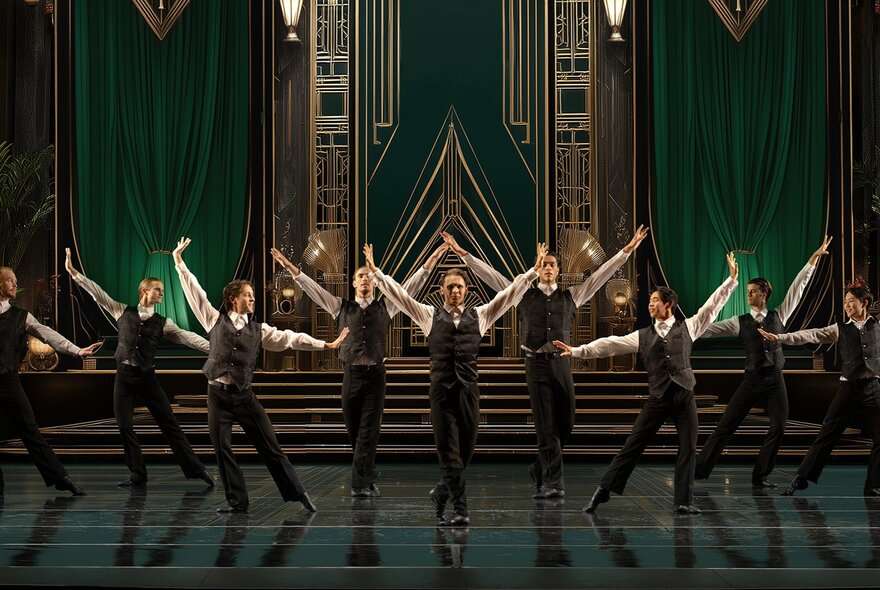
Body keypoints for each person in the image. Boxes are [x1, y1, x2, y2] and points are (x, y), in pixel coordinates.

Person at [442, 227, 649, 498]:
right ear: (538, 269)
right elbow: (492, 277)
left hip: (562, 364)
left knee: (567, 422)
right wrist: (464, 255)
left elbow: (601, 276)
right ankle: (553, 483)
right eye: (544, 264)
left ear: (558, 270)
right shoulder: (522, 294)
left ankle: (539, 467)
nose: (548, 268)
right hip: (535, 364)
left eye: (552, 265)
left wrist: (627, 250)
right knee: (546, 425)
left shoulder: (572, 295)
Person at [364, 241, 547, 526]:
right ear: (442, 291)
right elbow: (400, 296)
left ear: (466, 291)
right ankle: (460, 509)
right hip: (441, 392)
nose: (454, 291)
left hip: (469, 392)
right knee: (449, 453)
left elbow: (510, 294)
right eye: (449, 287)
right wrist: (376, 273)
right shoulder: (427, 316)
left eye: (459, 287)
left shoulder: (482, 315)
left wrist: (533, 272)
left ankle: (440, 492)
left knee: (466, 452)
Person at [554, 252, 739, 514]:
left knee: (688, 448)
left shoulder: (690, 327)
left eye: (655, 300)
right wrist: (577, 351)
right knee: (633, 444)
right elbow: (609, 345)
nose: (650, 304)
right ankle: (603, 490)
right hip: (659, 397)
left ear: (669, 304)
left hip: (684, 395)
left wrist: (731, 281)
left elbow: (712, 306)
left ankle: (683, 502)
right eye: (650, 300)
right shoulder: (642, 336)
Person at [173, 238, 348, 513]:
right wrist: (179, 262)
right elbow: (195, 292)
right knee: (223, 450)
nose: (253, 299)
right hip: (217, 397)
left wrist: (325, 345)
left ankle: (298, 494)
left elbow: (290, 338)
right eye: (248, 295)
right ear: (233, 298)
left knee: (271, 447)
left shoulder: (259, 330)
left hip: (244, 398)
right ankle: (237, 501)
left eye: (253, 296)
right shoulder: (213, 319)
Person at [270, 244, 447, 497]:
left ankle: (359, 485)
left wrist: (430, 261)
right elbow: (314, 290)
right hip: (351, 375)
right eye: (360, 276)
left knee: (368, 431)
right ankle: (369, 473)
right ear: (353, 283)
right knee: (355, 431)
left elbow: (410, 287)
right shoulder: (340, 307)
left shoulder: (388, 306)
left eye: (369, 276)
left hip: (376, 376)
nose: (365, 279)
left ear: (375, 283)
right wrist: (290, 267)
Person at [66, 248, 215, 488]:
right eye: (158, 289)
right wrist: (74, 274)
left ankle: (196, 470)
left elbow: (189, 338)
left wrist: (215, 350)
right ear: (145, 290)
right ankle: (138, 474)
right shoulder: (121, 310)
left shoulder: (164, 323)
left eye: (163, 291)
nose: (162, 293)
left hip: (147, 377)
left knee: (169, 424)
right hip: (123, 377)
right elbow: (97, 294)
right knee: (125, 426)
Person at [695, 237, 831, 488]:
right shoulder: (740, 321)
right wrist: (683, 329)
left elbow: (798, 287)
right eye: (747, 291)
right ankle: (699, 471)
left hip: (774, 379)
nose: (749, 294)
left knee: (778, 427)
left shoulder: (780, 313)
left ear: (765, 293)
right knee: (726, 426)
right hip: (752, 378)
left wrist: (813, 259)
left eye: (753, 291)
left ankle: (761, 476)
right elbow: (706, 329)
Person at [758, 279, 880, 498]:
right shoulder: (839, 329)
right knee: (826, 435)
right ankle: (801, 478)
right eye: (845, 302)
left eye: (851, 301)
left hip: (873, 388)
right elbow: (811, 334)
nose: (847, 305)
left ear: (864, 303)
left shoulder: (878, 327)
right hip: (848, 389)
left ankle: (872, 485)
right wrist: (781, 338)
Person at [0, 266, 101, 496]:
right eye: (10, 281)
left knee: (30, 430)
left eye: (16, 280)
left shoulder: (21, 316)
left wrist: (78, 351)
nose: (15, 284)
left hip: (9, 381)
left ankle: (61, 477)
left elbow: (47, 334)